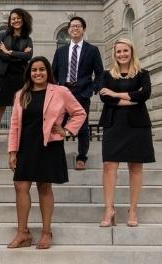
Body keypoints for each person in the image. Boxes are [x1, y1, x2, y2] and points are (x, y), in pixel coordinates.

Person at [7, 56, 86, 249]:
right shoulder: (21, 94)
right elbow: (15, 124)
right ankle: (23, 232)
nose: (38, 73)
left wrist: (66, 131)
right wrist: (12, 151)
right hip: (25, 146)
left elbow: (79, 113)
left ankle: (46, 232)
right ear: (29, 73)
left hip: (48, 145)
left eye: (41, 69)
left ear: (47, 71)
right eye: (34, 70)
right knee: (20, 186)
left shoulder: (60, 91)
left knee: (44, 187)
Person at [98, 38, 155, 228]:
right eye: (118, 51)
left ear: (132, 52)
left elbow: (144, 94)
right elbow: (105, 98)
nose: (122, 54)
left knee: (136, 167)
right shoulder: (107, 75)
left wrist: (115, 94)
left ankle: (133, 209)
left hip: (137, 125)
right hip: (114, 123)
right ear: (114, 54)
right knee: (108, 166)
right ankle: (109, 209)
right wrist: (130, 98)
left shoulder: (142, 74)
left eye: (125, 51)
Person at [51, 16, 104, 170]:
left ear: (83, 29)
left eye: (78, 26)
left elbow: (100, 73)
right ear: (69, 30)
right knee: (58, 124)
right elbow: (53, 72)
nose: (75, 28)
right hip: (63, 92)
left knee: (82, 126)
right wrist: (55, 90)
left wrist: (93, 89)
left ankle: (82, 158)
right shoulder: (61, 51)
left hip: (82, 92)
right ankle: (57, 157)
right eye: (72, 26)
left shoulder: (92, 50)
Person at [0, 8, 33, 155]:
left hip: (22, 76)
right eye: (13, 18)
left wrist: (9, 52)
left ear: (23, 20)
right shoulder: (3, 35)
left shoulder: (27, 38)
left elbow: (28, 57)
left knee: (22, 109)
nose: (15, 21)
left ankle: (20, 142)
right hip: (6, 75)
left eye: (18, 18)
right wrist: (19, 55)